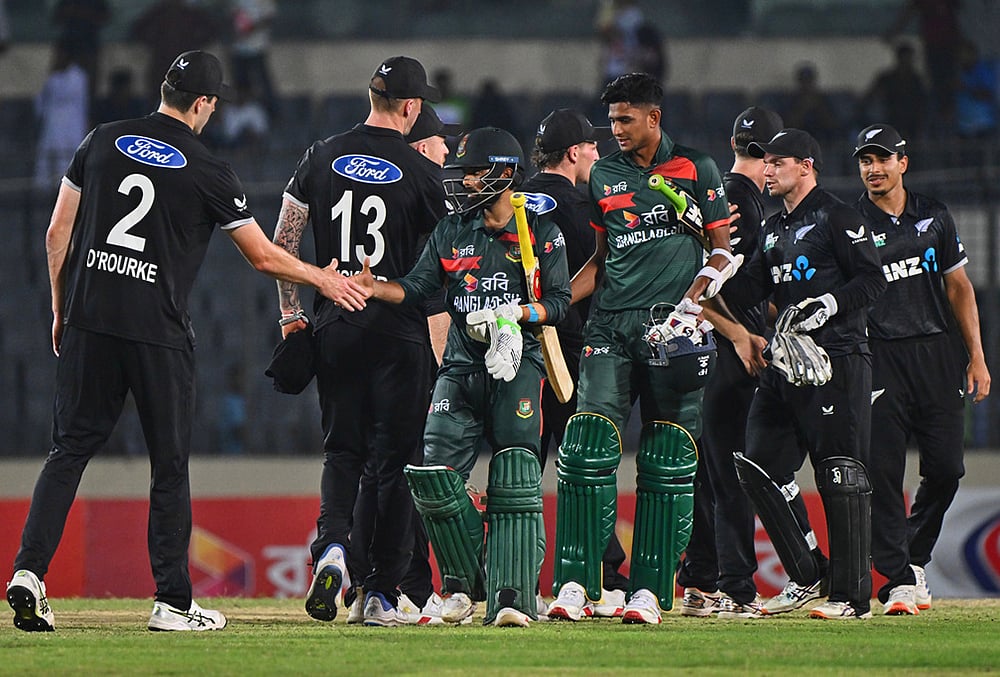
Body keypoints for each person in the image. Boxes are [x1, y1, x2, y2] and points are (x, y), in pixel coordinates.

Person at [5, 50, 365, 633]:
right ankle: (172, 602)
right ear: (203, 103)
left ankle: (28, 572)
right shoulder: (206, 168)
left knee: (68, 450)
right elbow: (261, 255)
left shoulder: (100, 139)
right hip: (157, 334)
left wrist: (59, 305)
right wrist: (325, 277)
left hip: (89, 320)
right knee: (168, 466)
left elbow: (55, 233)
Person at [357, 126, 571, 627]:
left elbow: (559, 303)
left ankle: (516, 593)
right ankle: (460, 587)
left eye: (476, 172)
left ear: (507, 172)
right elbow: (415, 289)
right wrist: (377, 287)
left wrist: (515, 317)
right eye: (464, 172)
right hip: (459, 365)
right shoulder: (452, 229)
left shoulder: (540, 229)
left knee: (516, 478)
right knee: (434, 476)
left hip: (518, 366)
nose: (466, 181)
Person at [547, 72, 740, 625]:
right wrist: (551, 302)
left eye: (625, 120)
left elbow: (725, 253)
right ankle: (577, 586)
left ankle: (649, 593)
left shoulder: (698, 168)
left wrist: (692, 302)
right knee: (584, 451)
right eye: (610, 121)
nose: (615, 131)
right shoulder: (602, 175)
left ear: (654, 117)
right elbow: (603, 260)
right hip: (608, 327)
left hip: (673, 332)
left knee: (668, 460)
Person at [272, 56, 445, 627]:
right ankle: (380, 594)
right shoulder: (422, 175)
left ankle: (334, 549)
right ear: (412, 107)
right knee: (393, 464)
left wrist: (293, 317)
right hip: (398, 332)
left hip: (334, 324)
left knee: (343, 453)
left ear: (370, 95)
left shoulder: (319, 155)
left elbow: (284, 241)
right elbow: (441, 271)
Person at [724, 128, 886, 620]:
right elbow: (747, 288)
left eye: (777, 162)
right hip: (786, 360)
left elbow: (873, 279)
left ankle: (853, 597)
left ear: (806, 165)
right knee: (758, 465)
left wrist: (830, 303)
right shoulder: (773, 228)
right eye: (765, 163)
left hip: (836, 357)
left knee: (840, 472)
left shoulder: (839, 216)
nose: (767, 170)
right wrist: (700, 289)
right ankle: (808, 572)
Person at [852, 123, 991, 615]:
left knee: (948, 468)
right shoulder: (850, 224)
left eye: (882, 159)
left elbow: (960, 289)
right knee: (883, 472)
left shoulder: (935, 216)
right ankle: (897, 580)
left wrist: (976, 355)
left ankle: (911, 557)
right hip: (880, 357)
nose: (873, 169)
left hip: (936, 354)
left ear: (902, 162)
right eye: (865, 161)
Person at [342, 103, 462, 626]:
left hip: (348, 336)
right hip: (405, 348)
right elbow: (434, 301)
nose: (448, 153)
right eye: (441, 144)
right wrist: (443, 375)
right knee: (403, 469)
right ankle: (404, 587)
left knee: (372, 468)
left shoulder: (392, 195)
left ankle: (363, 580)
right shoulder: (425, 201)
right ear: (418, 146)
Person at [521, 108, 629, 618]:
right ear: (573, 153)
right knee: (583, 461)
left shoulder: (511, 197)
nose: (598, 154)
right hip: (564, 345)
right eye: (592, 147)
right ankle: (602, 576)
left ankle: (506, 575)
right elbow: (602, 270)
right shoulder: (583, 202)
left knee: (519, 463)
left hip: (511, 345)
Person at [677, 107, 782, 619]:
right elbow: (701, 281)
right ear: (765, 156)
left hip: (709, 349)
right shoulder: (739, 199)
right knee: (731, 473)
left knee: (709, 472)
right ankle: (736, 587)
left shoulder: (723, 194)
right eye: (776, 159)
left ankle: (699, 581)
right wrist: (740, 334)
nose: (777, 171)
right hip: (725, 349)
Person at [34, 39, 89, 190]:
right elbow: (41, 102)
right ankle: (43, 191)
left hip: (71, 124)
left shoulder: (78, 76)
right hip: (52, 124)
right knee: (46, 159)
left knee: (67, 161)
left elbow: (74, 100)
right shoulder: (52, 76)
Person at [860, 43, 928, 141]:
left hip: (913, 120)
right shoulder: (887, 78)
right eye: (904, 58)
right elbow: (871, 95)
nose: (906, 62)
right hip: (890, 117)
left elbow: (922, 101)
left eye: (908, 59)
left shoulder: (916, 80)